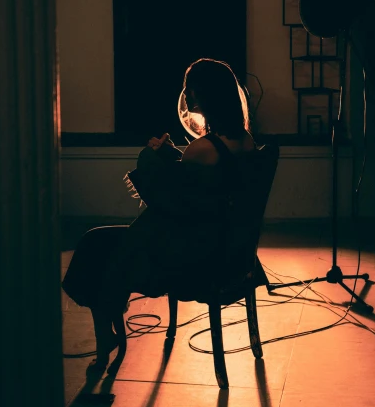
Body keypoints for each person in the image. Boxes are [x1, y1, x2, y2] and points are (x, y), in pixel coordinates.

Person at [62, 58, 269, 373]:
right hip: (220, 246)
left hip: (189, 256)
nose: (186, 96)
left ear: (208, 95)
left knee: (96, 246)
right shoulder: (245, 142)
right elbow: (202, 186)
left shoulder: (201, 150)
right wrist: (175, 155)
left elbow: (165, 199)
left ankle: (106, 338)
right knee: (103, 244)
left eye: (191, 89)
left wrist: (154, 157)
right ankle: (107, 327)